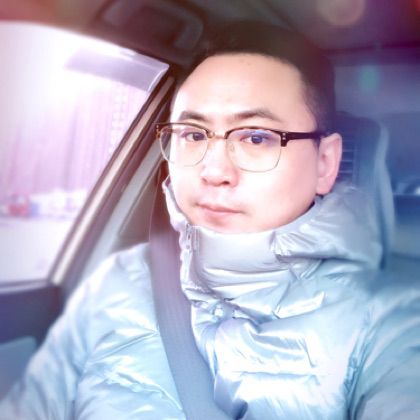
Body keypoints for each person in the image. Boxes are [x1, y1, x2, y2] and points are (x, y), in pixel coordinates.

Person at [1, 21, 420, 420]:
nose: (214, 171)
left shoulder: (391, 323)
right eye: (194, 134)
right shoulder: (118, 281)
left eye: (256, 137)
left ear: (325, 163)